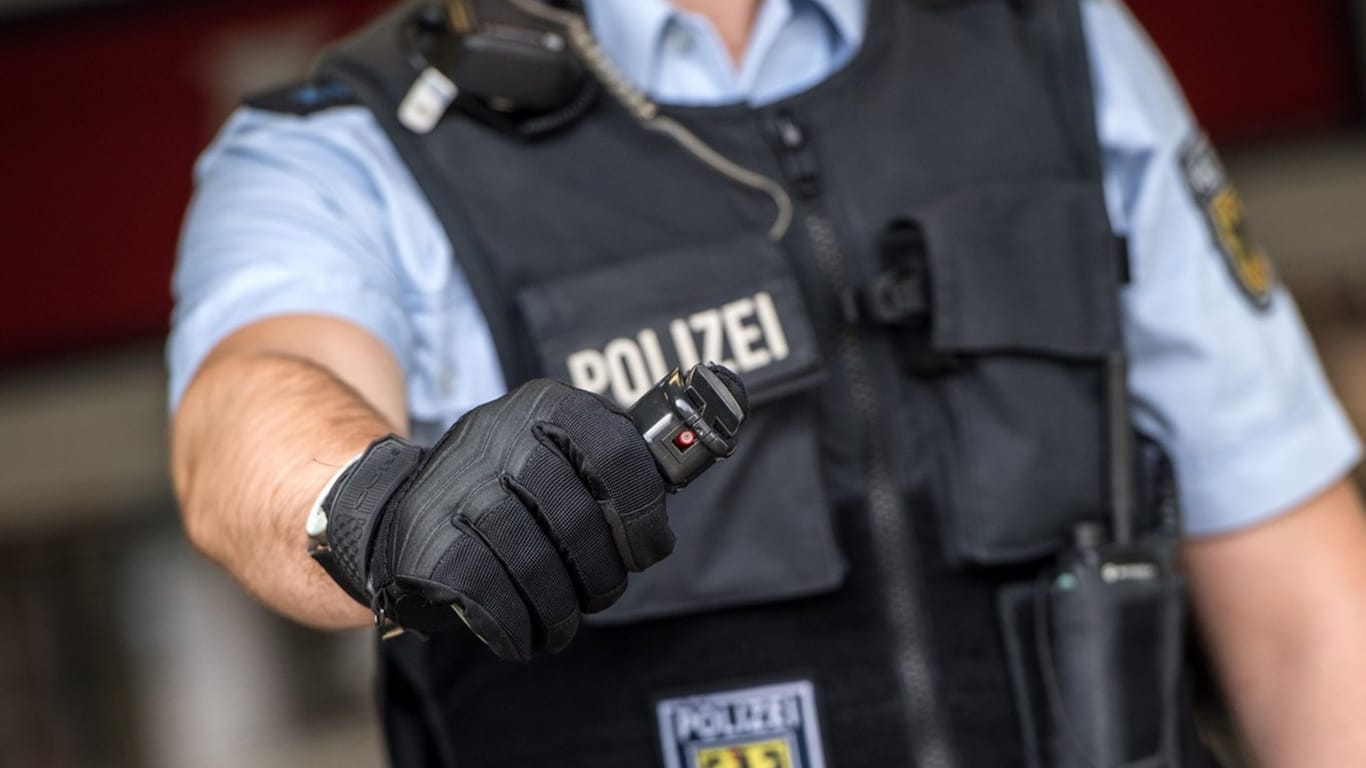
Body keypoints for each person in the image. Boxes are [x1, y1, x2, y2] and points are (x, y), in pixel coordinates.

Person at [168, 0, 1366, 765]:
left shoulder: (1053, 39)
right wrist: (375, 509)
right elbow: (246, 409)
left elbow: (1308, 614)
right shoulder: (348, 144)